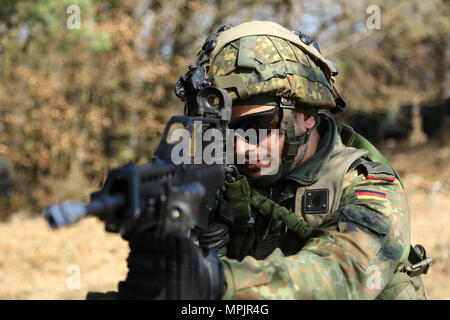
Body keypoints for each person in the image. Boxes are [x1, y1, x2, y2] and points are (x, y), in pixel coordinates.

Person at [118, 21, 431, 300]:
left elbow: (342, 275)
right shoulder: (218, 178)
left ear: (306, 115)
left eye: (257, 125)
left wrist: (217, 281)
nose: (240, 148)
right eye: (224, 130)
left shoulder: (368, 185)